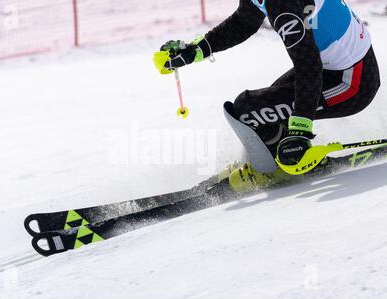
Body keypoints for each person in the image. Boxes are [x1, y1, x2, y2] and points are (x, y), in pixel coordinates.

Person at [155, 0, 381, 190]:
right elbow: (245, 20)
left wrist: (300, 131)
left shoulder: (281, 4)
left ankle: (273, 170)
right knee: (261, 111)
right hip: (335, 68)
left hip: (352, 82)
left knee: (248, 111)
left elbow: (307, 65)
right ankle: (270, 159)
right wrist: (198, 49)